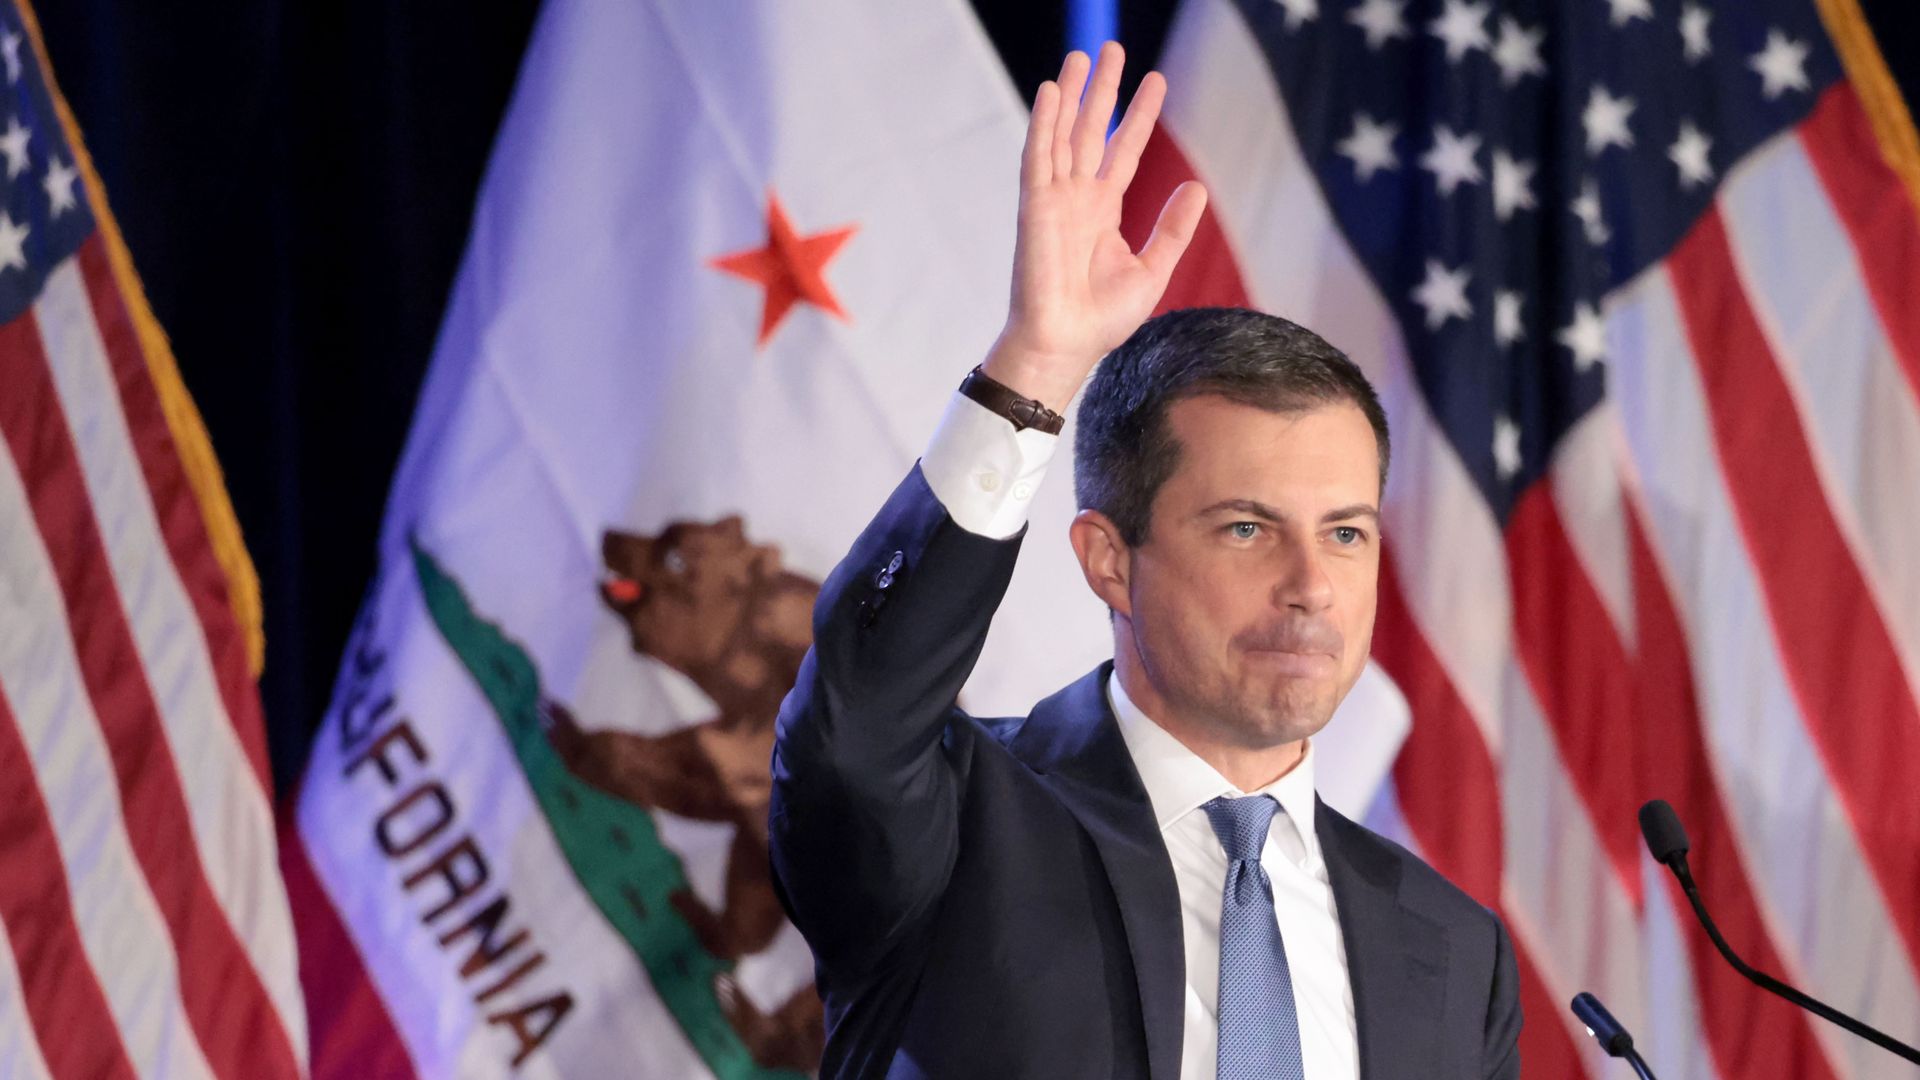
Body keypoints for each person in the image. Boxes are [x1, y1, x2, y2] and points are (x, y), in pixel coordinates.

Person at [769, 42, 1521, 1080]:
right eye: (1248, 528)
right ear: (1110, 561)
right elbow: (856, 719)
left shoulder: (1454, 950)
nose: (1312, 585)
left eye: (1345, 532)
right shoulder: (951, 823)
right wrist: (1035, 365)